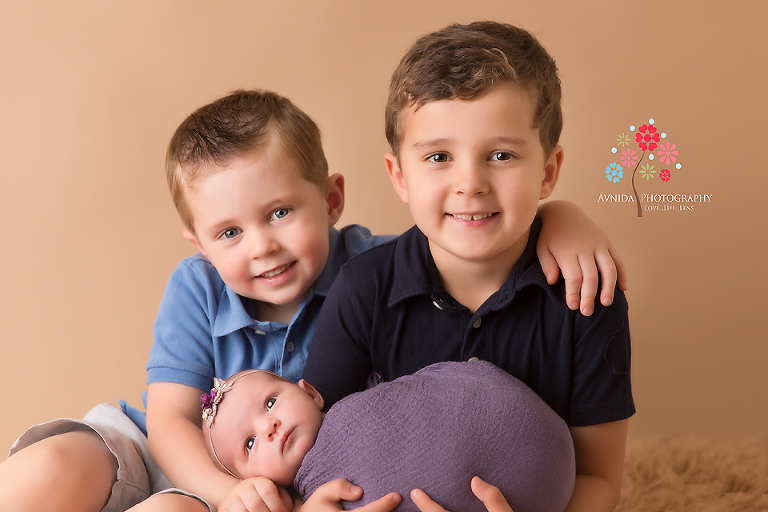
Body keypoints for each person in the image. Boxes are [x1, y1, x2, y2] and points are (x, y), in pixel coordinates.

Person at [0, 87, 624, 512]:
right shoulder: (198, 286)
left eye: (279, 213)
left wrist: (559, 216)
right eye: (229, 233)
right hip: (170, 452)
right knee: (50, 471)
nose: (262, 247)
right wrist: (223, 492)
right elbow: (169, 422)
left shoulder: (376, 271)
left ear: (331, 200)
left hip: (274, 490)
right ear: (199, 244)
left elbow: (458, 238)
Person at [301, 21, 635, 512]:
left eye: (501, 155)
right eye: (439, 156)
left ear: (548, 172)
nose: (470, 183)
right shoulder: (363, 289)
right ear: (400, 176)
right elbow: (312, 454)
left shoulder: (586, 298)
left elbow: (599, 478)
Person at [201, 364, 576, 512]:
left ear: (312, 393)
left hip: (537, 442)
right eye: (250, 444)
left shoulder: (364, 405)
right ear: (253, 483)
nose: (268, 427)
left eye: (270, 402)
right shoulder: (311, 503)